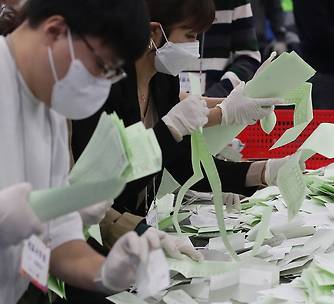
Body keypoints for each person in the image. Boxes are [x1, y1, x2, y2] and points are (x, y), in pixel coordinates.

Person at [0, 0, 158, 304]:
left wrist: (107, 271)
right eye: (101, 66)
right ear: (55, 30)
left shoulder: (50, 106)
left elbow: (60, 241)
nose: (101, 83)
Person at [71, 0, 287, 251]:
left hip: (134, 227)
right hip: (95, 232)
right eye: (190, 35)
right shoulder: (108, 86)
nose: (194, 47)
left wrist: (262, 172)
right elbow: (108, 176)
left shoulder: (163, 82)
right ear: (154, 32)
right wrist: (170, 130)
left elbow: (184, 163)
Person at [199, 0, 262, 98]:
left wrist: (221, 90)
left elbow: (249, 58)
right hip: (171, 99)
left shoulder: (235, 3)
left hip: (219, 100)